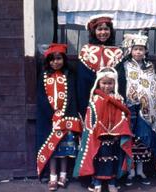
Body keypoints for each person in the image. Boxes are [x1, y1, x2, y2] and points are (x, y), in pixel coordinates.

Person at [73, 67, 133, 192]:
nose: (106, 86)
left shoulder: (119, 99)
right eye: (104, 83)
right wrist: (94, 131)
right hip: (98, 137)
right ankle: (97, 182)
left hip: (115, 136)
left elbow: (123, 117)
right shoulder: (95, 99)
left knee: (113, 159)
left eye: (110, 83)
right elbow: (90, 118)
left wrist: (118, 131)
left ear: (114, 83)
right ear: (98, 83)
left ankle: (112, 182)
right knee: (98, 159)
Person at [116, 32, 156, 186]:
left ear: (145, 51)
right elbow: (125, 85)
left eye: (141, 49)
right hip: (130, 107)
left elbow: (153, 87)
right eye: (136, 49)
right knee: (131, 139)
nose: (139, 52)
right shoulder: (125, 66)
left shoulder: (150, 67)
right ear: (130, 50)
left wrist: (151, 102)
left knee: (143, 140)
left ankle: (141, 170)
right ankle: (130, 171)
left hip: (147, 109)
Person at [36, 43, 82, 191]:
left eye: (59, 58)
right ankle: (53, 176)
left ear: (64, 59)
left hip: (65, 120)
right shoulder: (43, 76)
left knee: (65, 151)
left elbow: (72, 97)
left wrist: (65, 115)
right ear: (48, 61)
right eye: (52, 59)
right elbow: (42, 97)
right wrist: (52, 115)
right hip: (50, 121)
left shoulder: (69, 76)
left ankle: (63, 175)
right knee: (53, 150)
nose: (56, 62)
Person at [77, 14, 123, 119]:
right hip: (91, 98)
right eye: (99, 29)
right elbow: (82, 81)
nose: (103, 32)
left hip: (111, 99)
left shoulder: (117, 52)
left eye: (106, 29)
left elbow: (120, 79)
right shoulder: (86, 51)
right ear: (94, 32)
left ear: (111, 31)